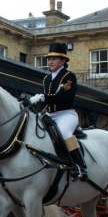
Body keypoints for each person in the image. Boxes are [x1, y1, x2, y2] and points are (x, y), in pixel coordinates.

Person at [28, 42, 87, 179]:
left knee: (65, 133)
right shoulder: (47, 79)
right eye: (49, 59)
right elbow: (46, 102)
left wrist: (43, 98)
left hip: (66, 114)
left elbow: (64, 98)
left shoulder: (68, 76)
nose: (50, 61)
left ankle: (80, 166)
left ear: (62, 61)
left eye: (54, 59)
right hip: (50, 115)